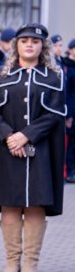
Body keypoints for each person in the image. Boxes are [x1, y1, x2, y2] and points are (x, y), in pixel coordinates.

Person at [0, 23, 65, 272]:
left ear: (42, 47)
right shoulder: (0, 74)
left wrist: (26, 135)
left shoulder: (54, 77)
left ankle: (31, 261)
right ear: (16, 45)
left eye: (35, 41)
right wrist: (10, 137)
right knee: (10, 203)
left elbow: (54, 115)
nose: (29, 45)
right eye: (24, 41)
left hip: (40, 148)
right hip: (6, 148)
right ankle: (12, 261)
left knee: (35, 203)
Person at [62, 39, 75, 182]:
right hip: (71, 108)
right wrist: (68, 114)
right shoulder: (67, 66)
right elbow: (67, 92)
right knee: (69, 144)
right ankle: (68, 172)